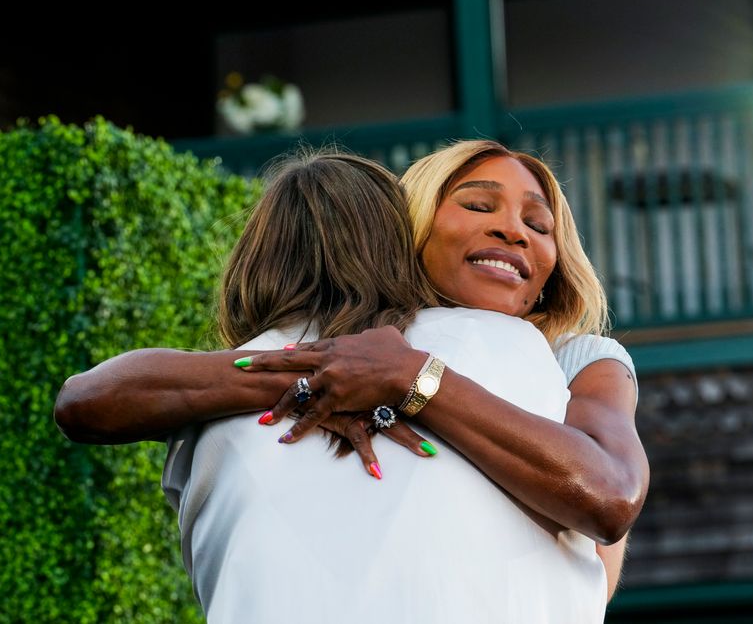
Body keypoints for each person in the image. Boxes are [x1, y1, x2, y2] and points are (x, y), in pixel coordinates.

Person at [56, 141, 649, 621]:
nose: (512, 231)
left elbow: (605, 508)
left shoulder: (570, 356)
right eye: (477, 205)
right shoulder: (324, 353)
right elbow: (86, 400)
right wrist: (329, 379)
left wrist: (412, 382)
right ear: (410, 228)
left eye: (538, 223)